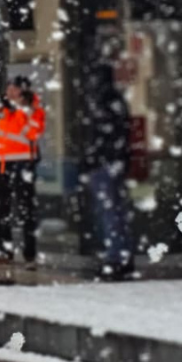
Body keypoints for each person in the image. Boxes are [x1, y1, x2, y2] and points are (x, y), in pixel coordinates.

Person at [81, 67, 135, 281]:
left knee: (110, 212)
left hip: (106, 164)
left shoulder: (104, 103)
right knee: (113, 212)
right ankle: (119, 256)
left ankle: (116, 258)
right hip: (110, 164)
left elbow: (104, 137)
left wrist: (94, 158)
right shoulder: (111, 102)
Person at [0, 77, 39, 268]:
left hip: (24, 163)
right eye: (9, 88)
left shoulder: (33, 109)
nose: (10, 92)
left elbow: (33, 133)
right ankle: (5, 251)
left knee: (26, 210)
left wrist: (22, 110)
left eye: (14, 89)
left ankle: (30, 254)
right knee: (1, 210)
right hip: (1, 164)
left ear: (23, 91)